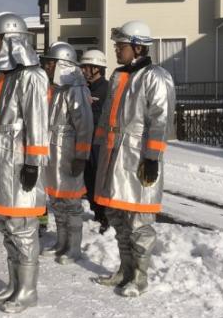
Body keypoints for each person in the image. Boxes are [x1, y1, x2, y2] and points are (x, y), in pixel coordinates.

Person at [0, 13, 49, 314]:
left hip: (18, 159)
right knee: (7, 224)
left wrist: (33, 162)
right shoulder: (2, 77)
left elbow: (38, 123)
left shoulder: (32, 76)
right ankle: (14, 283)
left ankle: (28, 290)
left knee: (22, 226)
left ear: (11, 41)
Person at [94, 21, 175, 298]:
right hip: (114, 156)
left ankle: (140, 277)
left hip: (138, 156)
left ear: (138, 47)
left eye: (121, 46)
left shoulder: (156, 76)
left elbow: (160, 119)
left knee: (139, 221)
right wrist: (99, 148)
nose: (116, 50)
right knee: (118, 217)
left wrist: (152, 156)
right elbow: (107, 116)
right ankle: (125, 270)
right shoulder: (119, 76)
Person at [39, 42, 93, 264]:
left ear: (63, 65)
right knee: (57, 199)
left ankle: (74, 247)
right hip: (52, 149)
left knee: (71, 202)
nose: (48, 68)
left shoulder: (76, 89)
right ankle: (61, 242)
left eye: (51, 64)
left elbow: (85, 125)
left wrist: (81, 156)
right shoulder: (53, 88)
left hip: (68, 150)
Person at [80, 49, 110, 233]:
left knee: (100, 180)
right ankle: (97, 211)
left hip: (99, 143)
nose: (83, 70)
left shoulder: (104, 88)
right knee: (89, 178)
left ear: (96, 68)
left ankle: (105, 215)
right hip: (87, 141)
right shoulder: (87, 88)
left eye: (86, 67)